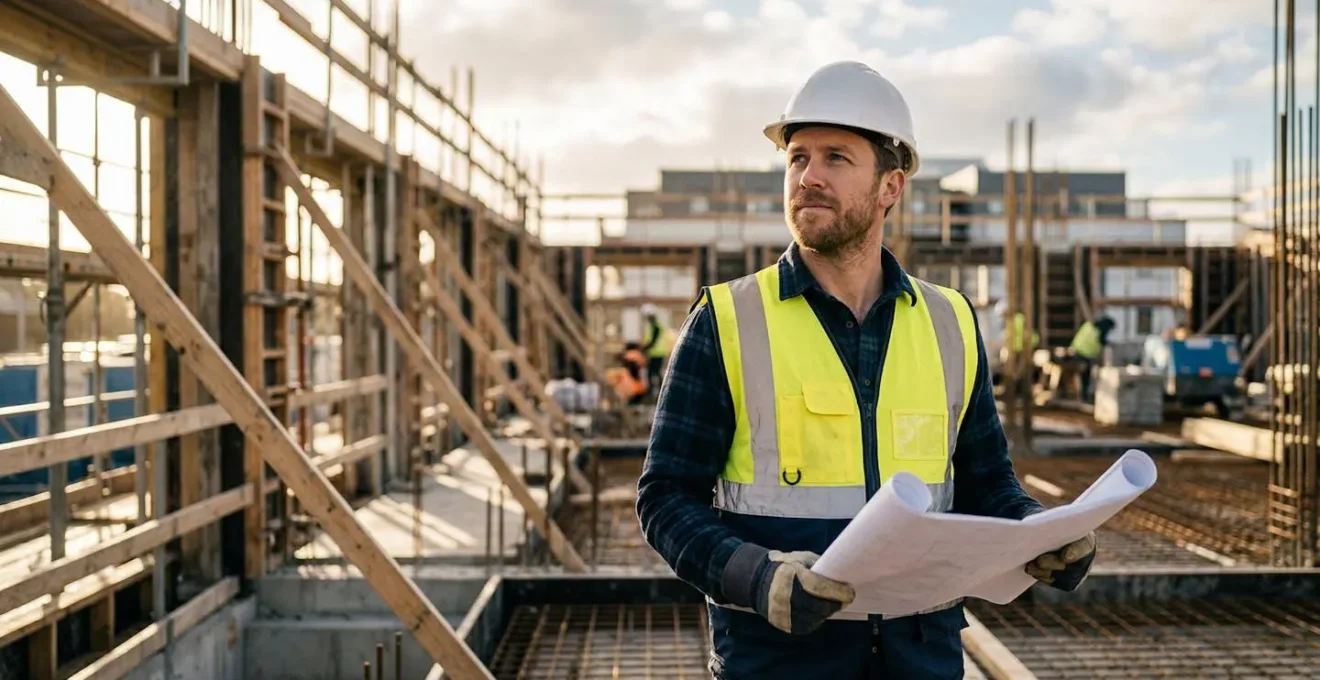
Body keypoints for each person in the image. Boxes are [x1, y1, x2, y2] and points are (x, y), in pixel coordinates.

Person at [636, 61, 1096, 679]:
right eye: (798, 158)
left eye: (836, 158)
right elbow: (665, 497)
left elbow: (989, 484)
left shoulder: (951, 322)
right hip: (779, 660)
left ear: (891, 187)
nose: (809, 177)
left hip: (921, 658)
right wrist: (756, 577)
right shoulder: (726, 320)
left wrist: (1043, 531)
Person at [1067, 315, 1116, 399]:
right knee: (1086, 376)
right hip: (1081, 356)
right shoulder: (1099, 333)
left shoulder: (1088, 325)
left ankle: (1084, 394)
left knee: (1086, 374)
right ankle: (1084, 395)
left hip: (1074, 352)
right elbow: (1102, 342)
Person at [639, 302, 673, 396]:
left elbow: (654, 339)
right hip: (655, 353)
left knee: (653, 373)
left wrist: (646, 348)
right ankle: (660, 391)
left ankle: (656, 392)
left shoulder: (655, 326)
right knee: (655, 373)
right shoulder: (654, 325)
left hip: (657, 353)